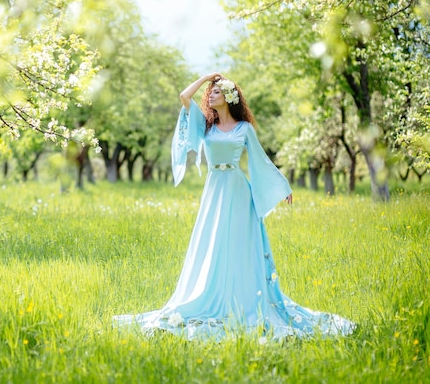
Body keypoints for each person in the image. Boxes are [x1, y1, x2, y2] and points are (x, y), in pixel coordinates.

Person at [113, 72, 355, 340]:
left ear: (229, 97)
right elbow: (184, 96)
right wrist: (207, 78)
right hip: (214, 190)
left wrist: (282, 184)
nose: (210, 95)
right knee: (214, 243)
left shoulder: (244, 129)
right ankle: (213, 296)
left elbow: (260, 160)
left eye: (216, 92)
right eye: (210, 93)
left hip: (239, 191)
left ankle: (243, 300)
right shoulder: (205, 126)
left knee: (239, 246)